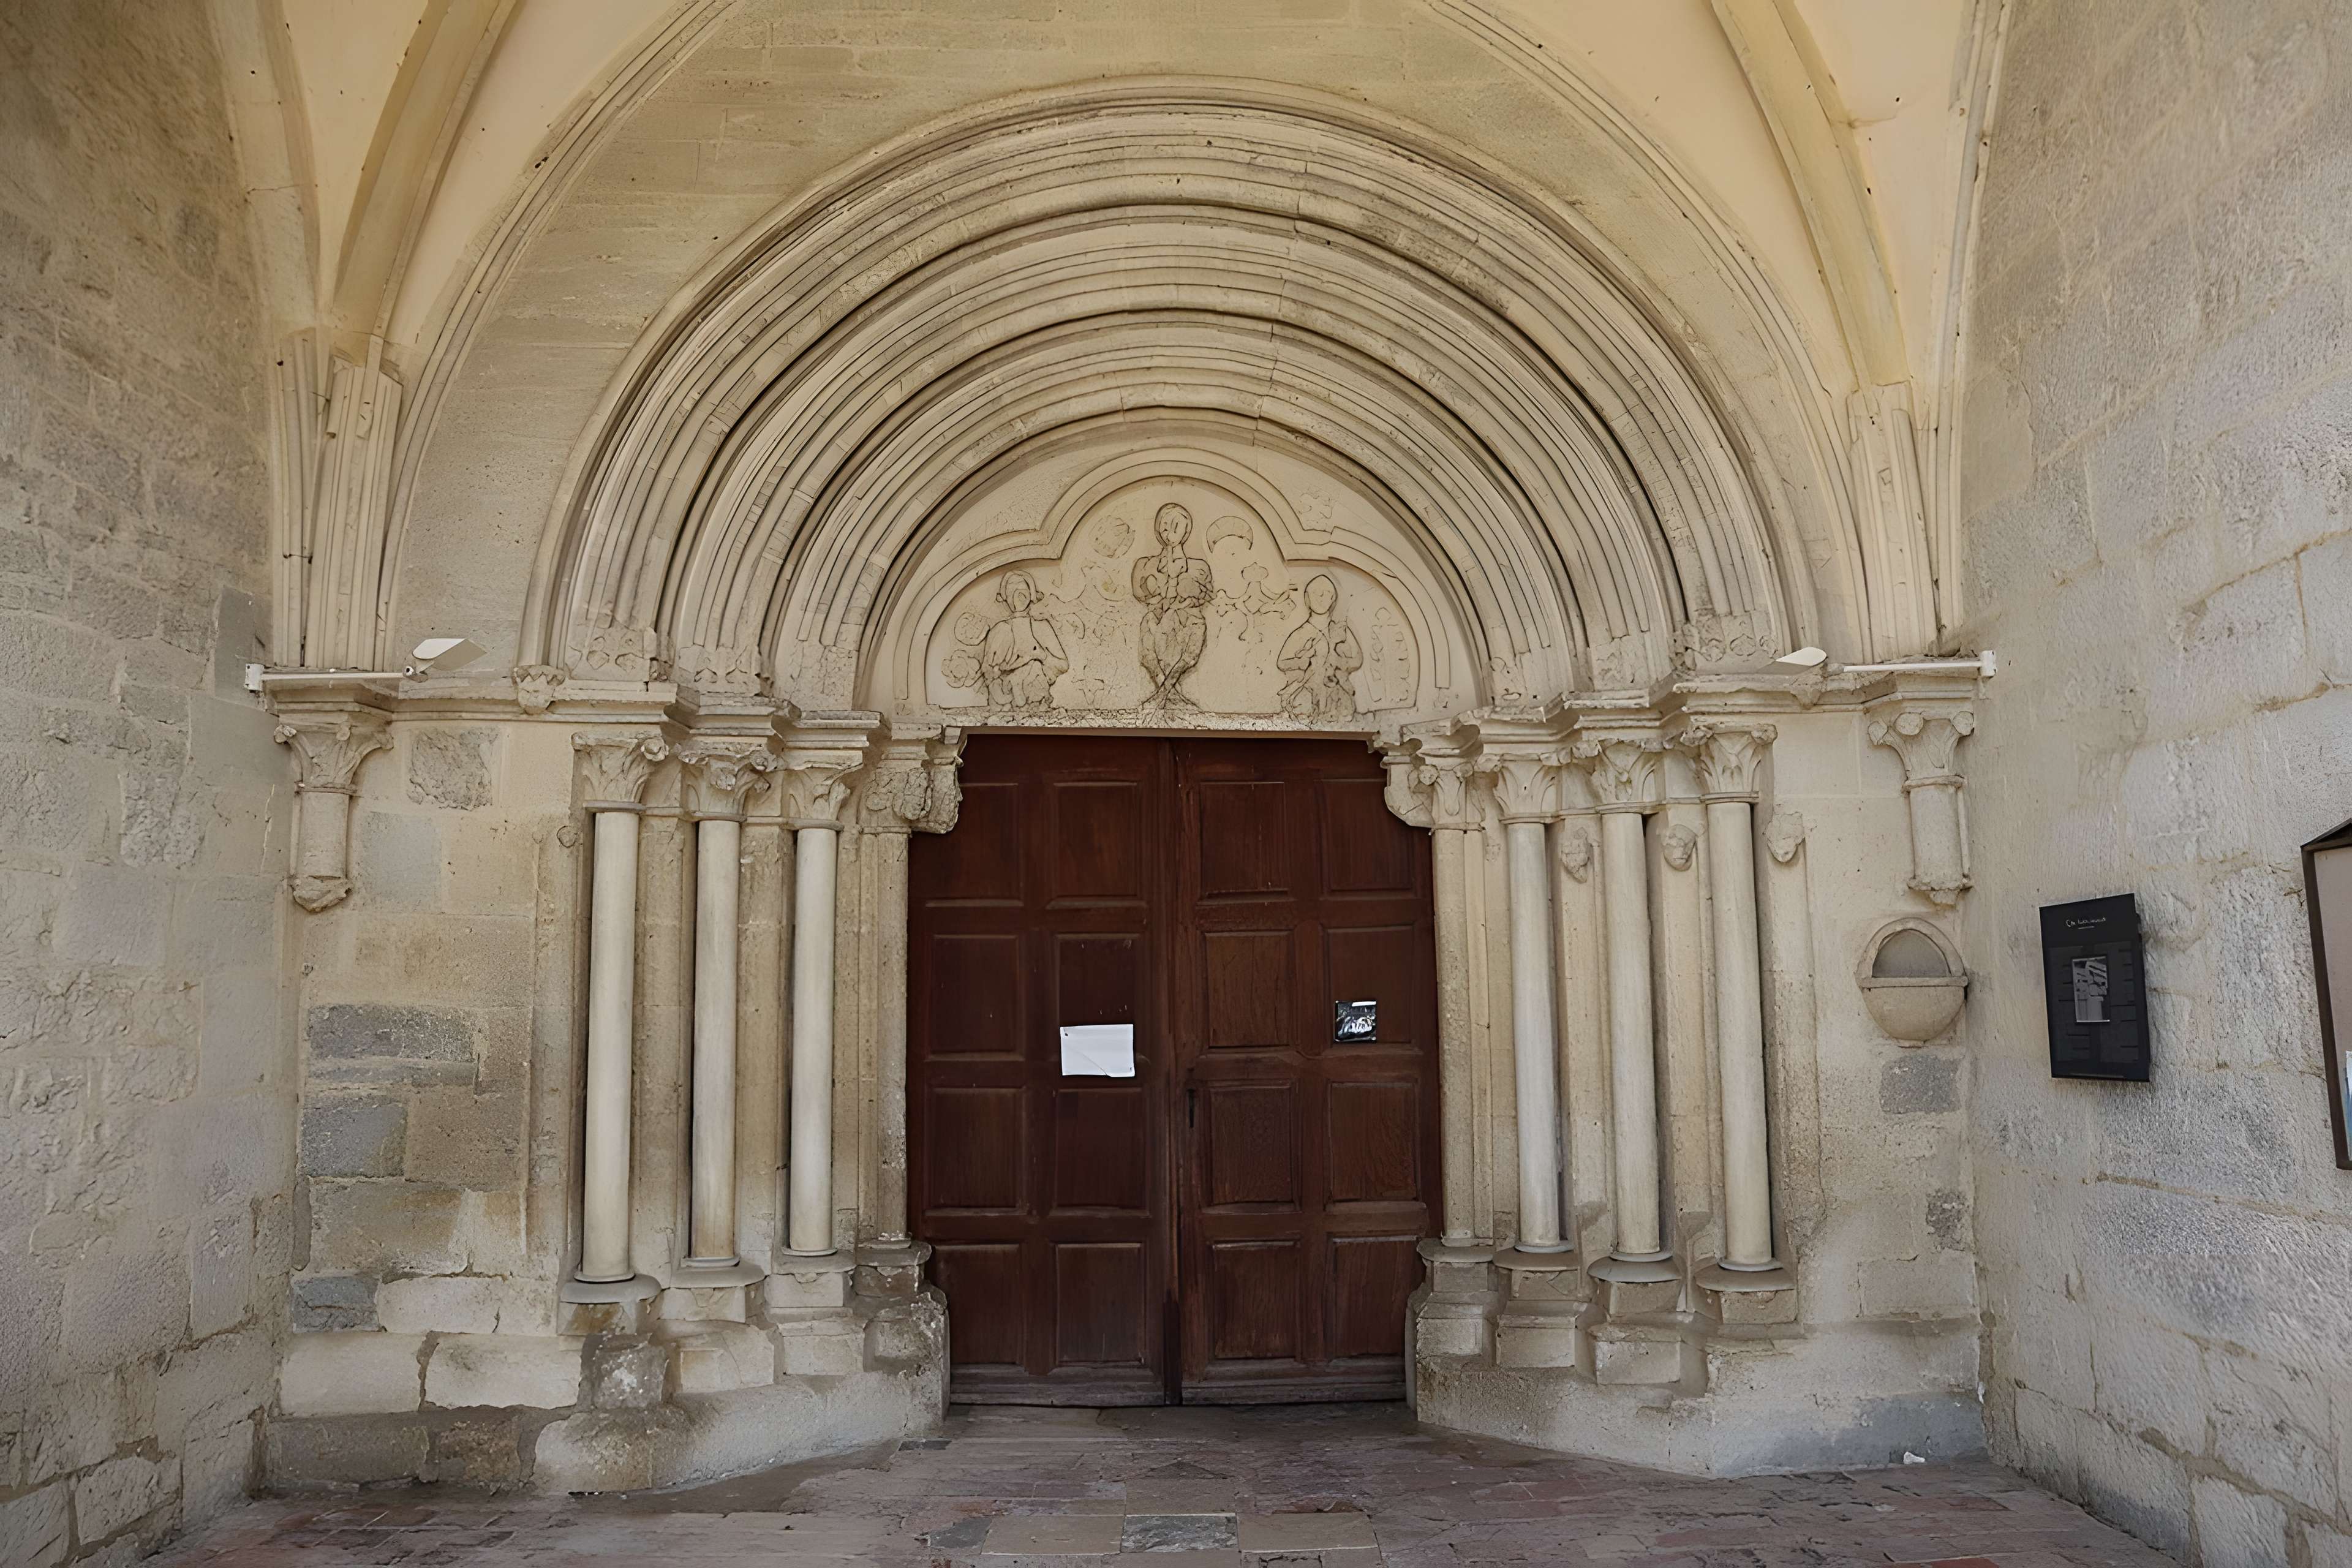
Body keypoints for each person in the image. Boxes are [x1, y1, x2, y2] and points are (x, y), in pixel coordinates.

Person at [1131, 502, 1214, 707]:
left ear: (1187, 531)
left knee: (1195, 634)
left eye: (1176, 526)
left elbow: (1206, 594)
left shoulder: (1199, 567)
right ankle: (1172, 695)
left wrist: (1189, 593)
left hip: (1186, 620)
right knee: (1148, 634)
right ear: (1158, 529)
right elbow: (1140, 594)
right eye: (1165, 526)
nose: (1170, 532)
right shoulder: (1145, 564)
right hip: (1160, 619)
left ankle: (1160, 697)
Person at [1276, 572, 1362, 719]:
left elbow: (1358, 659)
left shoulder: (1341, 630)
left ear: (1333, 599)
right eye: (1317, 594)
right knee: (1302, 709)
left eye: (1326, 594)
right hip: (1307, 688)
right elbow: (1282, 662)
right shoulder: (1301, 633)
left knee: (1345, 712)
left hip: (1334, 689)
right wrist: (1303, 662)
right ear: (1307, 599)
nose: (1321, 599)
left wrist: (1339, 661)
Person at [979, 570, 1067, 712]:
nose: (1019, 595)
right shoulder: (1001, 629)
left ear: (1031, 593)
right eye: (1012, 589)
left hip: (1037, 697)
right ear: (1005, 596)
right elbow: (989, 671)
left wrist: (1040, 656)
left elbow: (1062, 665)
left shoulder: (1041, 626)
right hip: (1006, 700)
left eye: (1022, 589)